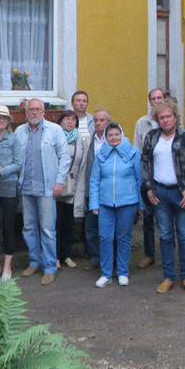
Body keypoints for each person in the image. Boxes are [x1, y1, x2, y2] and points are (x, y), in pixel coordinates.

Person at [140, 99, 185, 295]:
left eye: (168, 116)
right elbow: (145, 163)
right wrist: (149, 188)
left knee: (183, 235)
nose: (165, 120)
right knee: (165, 235)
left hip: (181, 193)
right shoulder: (152, 137)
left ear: (175, 117)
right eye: (161, 117)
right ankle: (168, 276)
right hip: (160, 194)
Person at [15, 98, 70, 286]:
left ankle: (49, 267)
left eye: (38, 109)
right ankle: (34, 261)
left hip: (47, 188)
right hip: (26, 188)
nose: (35, 112)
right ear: (26, 112)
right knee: (29, 227)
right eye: (31, 109)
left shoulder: (55, 130)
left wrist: (59, 181)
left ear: (44, 112)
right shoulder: (19, 131)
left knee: (47, 229)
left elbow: (64, 157)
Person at [89, 122, 142, 288]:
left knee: (123, 237)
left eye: (116, 134)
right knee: (105, 237)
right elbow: (94, 180)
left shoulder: (133, 153)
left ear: (122, 135)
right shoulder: (101, 154)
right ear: (106, 137)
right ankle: (106, 274)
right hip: (105, 204)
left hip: (128, 203)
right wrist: (94, 203)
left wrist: (141, 205)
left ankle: (123, 272)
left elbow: (139, 179)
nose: (113, 138)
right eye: (110, 135)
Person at [0, 105, 22, 280]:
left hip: (9, 186)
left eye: (4, 117)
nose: (1, 120)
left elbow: (18, 163)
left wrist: (1, 171)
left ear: (8, 121)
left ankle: (7, 266)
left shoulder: (14, 139)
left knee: (8, 226)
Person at [74, 109, 111, 271]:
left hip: (110, 192)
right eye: (95, 120)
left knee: (108, 229)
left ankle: (110, 260)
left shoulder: (115, 139)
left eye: (102, 120)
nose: (98, 123)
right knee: (91, 227)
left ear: (108, 122)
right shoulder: (88, 140)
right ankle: (95, 258)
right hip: (91, 192)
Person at [134, 88, 166, 269]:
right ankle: (149, 254)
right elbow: (137, 149)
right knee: (148, 217)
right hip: (148, 177)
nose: (156, 101)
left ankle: (168, 255)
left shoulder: (171, 121)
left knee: (166, 219)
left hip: (167, 178)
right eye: (153, 99)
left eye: (159, 98)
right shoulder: (142, 123)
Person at [55, 110, 88, 268]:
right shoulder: (56, 136)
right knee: (56, 221)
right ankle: (55, 256)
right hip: (57, 185)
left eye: (73, 119)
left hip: (73, 185)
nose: (70, 122)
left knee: (69, 222)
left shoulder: (80, 139)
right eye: (66, 119)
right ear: (60, 121)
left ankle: (66, 255)